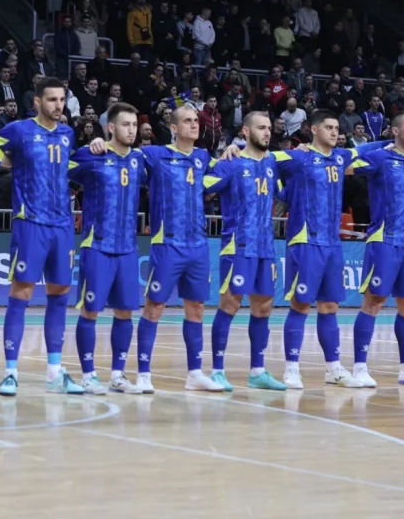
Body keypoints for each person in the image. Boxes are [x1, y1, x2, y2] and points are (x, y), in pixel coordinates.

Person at [0, 77, 106, 396]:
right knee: (22, 291)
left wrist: (94, 146)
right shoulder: (18, 130)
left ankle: (54, 371)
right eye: (52, 99)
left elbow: (74, 164)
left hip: (62, 225)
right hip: (31, 222)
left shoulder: (67, 134)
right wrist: (6, 162)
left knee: (60, 294)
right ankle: (10, 372)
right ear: (37, 102)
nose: (58, 105)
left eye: (62, 99)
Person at [231, 110, 364, 389]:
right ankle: (291, 368)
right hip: (304, 241)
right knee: (300, 304)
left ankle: (333, 368)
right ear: (313, 130)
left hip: (333, 243)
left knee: (330, 306)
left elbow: (368, 150)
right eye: (329, 127)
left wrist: (390, 144)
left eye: (337, 128)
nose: (335, 132)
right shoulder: (298, 157)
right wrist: (236, 146)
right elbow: (262, 154)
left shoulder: (341, 157)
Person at [345, 110, 404, 387]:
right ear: (395, 131)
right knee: (374, 302)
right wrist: (376, 144)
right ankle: (359, 368)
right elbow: (343, 166)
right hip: (384, 240)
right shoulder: (379, 157)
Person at [203, 111, 289, 391]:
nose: (267, 132)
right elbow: (203, 186)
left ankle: (257, 371)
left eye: (269, 128)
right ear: (245, 132)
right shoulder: (231, 163)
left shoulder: (272, 163)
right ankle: (217, 371)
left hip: (266, 247)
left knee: (263, 307)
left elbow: (284, 193)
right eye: (261, 128)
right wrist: (221, 156)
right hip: (238, 245)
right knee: (229, 304)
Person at [139, 106, 221, 392]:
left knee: (196, 308)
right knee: (155, 306)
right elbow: (123, 154)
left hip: (198, 245)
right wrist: (100, 143)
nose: (194, 125)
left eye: (196, 120)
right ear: (173, 128)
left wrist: (233, 152)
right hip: (167, 244)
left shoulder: (203, 157)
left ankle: (195, 373)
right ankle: (143, 374)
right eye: (187, 121)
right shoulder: (155, 154)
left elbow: (223, 170)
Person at [67, 103, 146, 394]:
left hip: (127, 248)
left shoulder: (139, 160)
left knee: (125, 312)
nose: (132, 130)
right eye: (126, 125)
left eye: (135, 125)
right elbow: (64, 167)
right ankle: (88, 375)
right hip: (97, 245)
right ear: (111, 127)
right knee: (90, 311)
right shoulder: (93, 155)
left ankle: (117, 375)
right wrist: (88, 145)